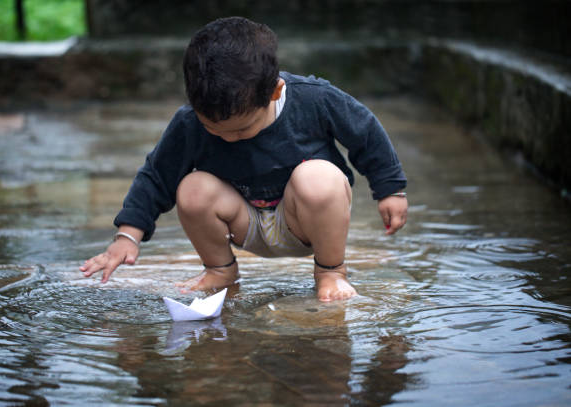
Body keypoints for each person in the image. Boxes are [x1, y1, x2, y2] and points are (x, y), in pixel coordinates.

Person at [80, 16, 408, 301]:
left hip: (305, 220)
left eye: (243, 128)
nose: (230, 137)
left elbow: (366, 133)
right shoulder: (189, 122)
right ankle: (220, 271)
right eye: (216, 129)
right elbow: (157, 175)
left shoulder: (314, 99)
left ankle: (331, 271)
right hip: (243, 222)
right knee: (192, 188)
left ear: (275, 91)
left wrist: (390, 189)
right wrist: (127, 236)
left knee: (318, 177)